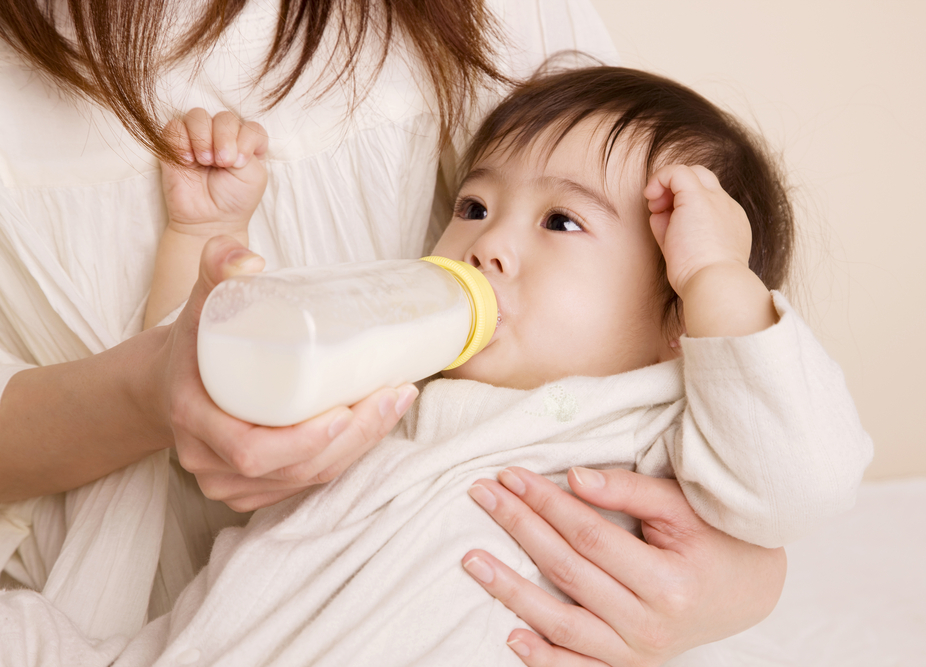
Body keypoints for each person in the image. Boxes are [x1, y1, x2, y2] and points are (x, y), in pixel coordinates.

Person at [0, 1, 787, 664]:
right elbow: (203, 384)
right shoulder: (395, 391)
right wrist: (201, 238)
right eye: (473, 205)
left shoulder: (653, 425)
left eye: (561, 221)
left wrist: (720, 285)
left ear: (678, 317)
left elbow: (788, 461)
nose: (487, 244)